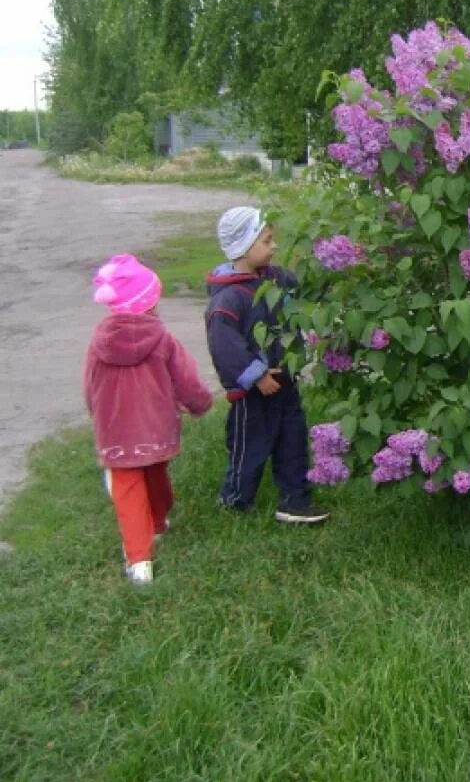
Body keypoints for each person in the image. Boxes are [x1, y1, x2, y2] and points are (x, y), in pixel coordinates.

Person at [84, 254, 213, 584]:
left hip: (114, 430)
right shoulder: (163, 338)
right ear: (151, 301)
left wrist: (95, 411)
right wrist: (199, 403)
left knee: (128, 489)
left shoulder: (99, 342)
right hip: (155, 426)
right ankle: (156, 523)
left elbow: (90, 383)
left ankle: (139, 562)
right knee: (155, 474)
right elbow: (186, 379)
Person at [206, 206, 329, 523]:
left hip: (286, 383)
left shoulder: (277, 278)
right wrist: (256, 374)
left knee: (293, 442)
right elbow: (225, 345)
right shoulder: (229, 298)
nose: (274, 246)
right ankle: (235, 499)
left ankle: (295, 500)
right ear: (243, 248)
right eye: (267, 241)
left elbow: (306, 289)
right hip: (254, 393)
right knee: (250, 449)